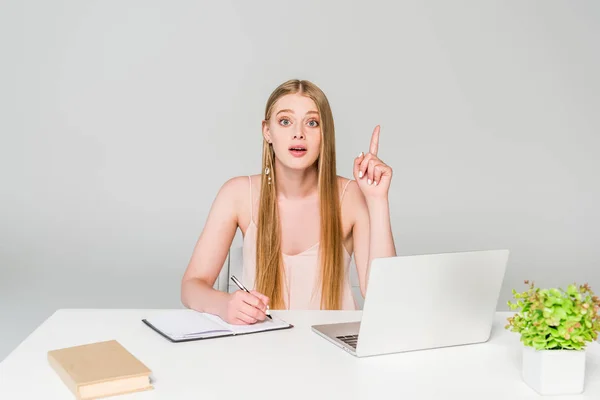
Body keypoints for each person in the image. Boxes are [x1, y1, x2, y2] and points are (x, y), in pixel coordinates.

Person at [181, 79, 396, 325]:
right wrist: (224, 304)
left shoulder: (351, 196)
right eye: (285, 121)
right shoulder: (237, 194)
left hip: (332, 354)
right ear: (267, 131)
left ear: (324, 133)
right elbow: (190, 287)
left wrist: (378, 200)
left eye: (312, 123)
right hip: (260, 348)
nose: (298, 133)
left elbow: (384, 296)